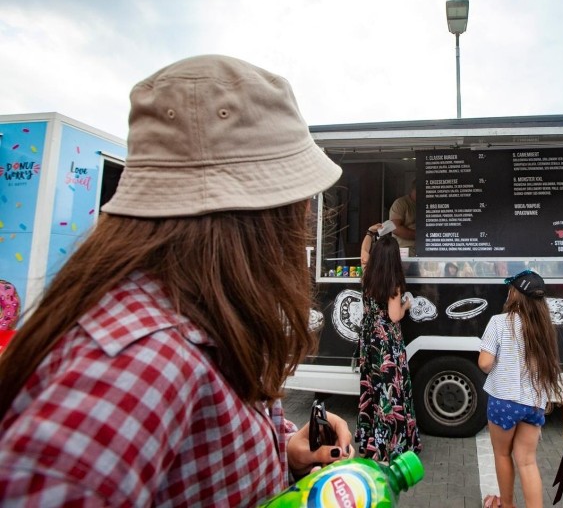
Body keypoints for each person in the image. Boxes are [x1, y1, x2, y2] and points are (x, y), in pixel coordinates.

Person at [0, 55, 356, 506]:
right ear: (259, 220)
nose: (304, 217)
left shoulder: (198, 313)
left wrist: (283, 450)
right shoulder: (139, 366)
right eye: (298, 200)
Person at [479, 270, 562, 508]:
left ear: (515, 294)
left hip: (504, 401)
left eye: (510, 289)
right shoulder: (544, 328)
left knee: (503, 454)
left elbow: (485, 363)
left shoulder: (499, 322)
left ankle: (507, 505)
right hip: (533, 402)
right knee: (527, 462)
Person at [355, 233, 422, 462]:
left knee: (371, 390)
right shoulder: (393, 283)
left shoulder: (366, 276)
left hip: (369, 340)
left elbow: (363, 253)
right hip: (387, 345)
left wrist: (369, 234)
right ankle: (389, 446)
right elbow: (394, 316)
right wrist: (406, 305)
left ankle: (369, 442)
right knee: (389, 392)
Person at [389, 179, 416, 256]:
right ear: (413, 189)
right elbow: (394, 228)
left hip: (422, 249)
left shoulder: (424, 205)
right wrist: (419, 235)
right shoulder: (400, 203)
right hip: (404, 250)